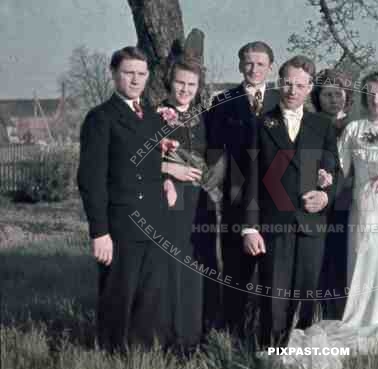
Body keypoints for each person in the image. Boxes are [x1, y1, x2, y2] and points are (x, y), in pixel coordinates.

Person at [258, 68, 378, 369]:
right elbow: (337, 165)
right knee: (367, 267)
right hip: (364, 211)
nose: (377, 100)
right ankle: (366, 319)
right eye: (371, 94)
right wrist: (325, 178)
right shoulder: (354, 129)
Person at [77, 46, 174, 351]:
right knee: (118, 296)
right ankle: (111, 360)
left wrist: (167, 179)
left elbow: (150, 164)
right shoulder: (101, 118)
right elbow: (90, 179)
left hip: (154, 220)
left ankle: (141, 359)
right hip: (120, 225)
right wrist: (100, 232)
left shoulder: (153, 118)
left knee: (149, 297)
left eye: (141, 74)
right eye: (128, 73)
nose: (135, 80)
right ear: (114, 74)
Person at [242, 55, 339, 348]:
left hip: (312, 224)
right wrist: (250, 228)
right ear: (278, 83)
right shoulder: (261, 123)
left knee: (307, 295)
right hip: (274, 224)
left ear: (310, 88)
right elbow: (250, 180)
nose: (292, 90)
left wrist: (325, 195)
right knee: (275, 295)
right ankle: (271, 356)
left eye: (299, 85)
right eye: (287, 83)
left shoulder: (323, 125)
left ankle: (303, 360)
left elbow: (336, 171)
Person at [205, 41, 280, 337]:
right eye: (248, 63)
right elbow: (212, 152)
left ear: (270, 67)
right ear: (240, 66)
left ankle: (269, 336)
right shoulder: (223, 101)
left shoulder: (282, 100)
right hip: (236, 199)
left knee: (272, 274)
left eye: (261, 64)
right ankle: (233, 334)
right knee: (237, 271)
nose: (254, 69)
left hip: (276, 200)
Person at [158, 57, 221, 348]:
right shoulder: (154, 115)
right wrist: (170, 170)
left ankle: (200, 335)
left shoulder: (203, 118)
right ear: (170, 81)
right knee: (174, 266)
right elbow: (133, 160)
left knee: (201, 263)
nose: (184, 89)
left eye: (191, 84)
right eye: (180, 82)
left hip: (201, 203)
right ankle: (172, 338)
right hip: (170, 202)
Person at [311, 68, 354, 319]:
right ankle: (316, 310)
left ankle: (341, 312)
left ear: (346, 96)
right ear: (318, 97)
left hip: (347, 198)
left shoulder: (355, 126)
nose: (333, 99)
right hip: (317, 199)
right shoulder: (311, 123)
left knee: (342, 255)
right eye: (327, 94)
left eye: (338, 94)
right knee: (320, 257)